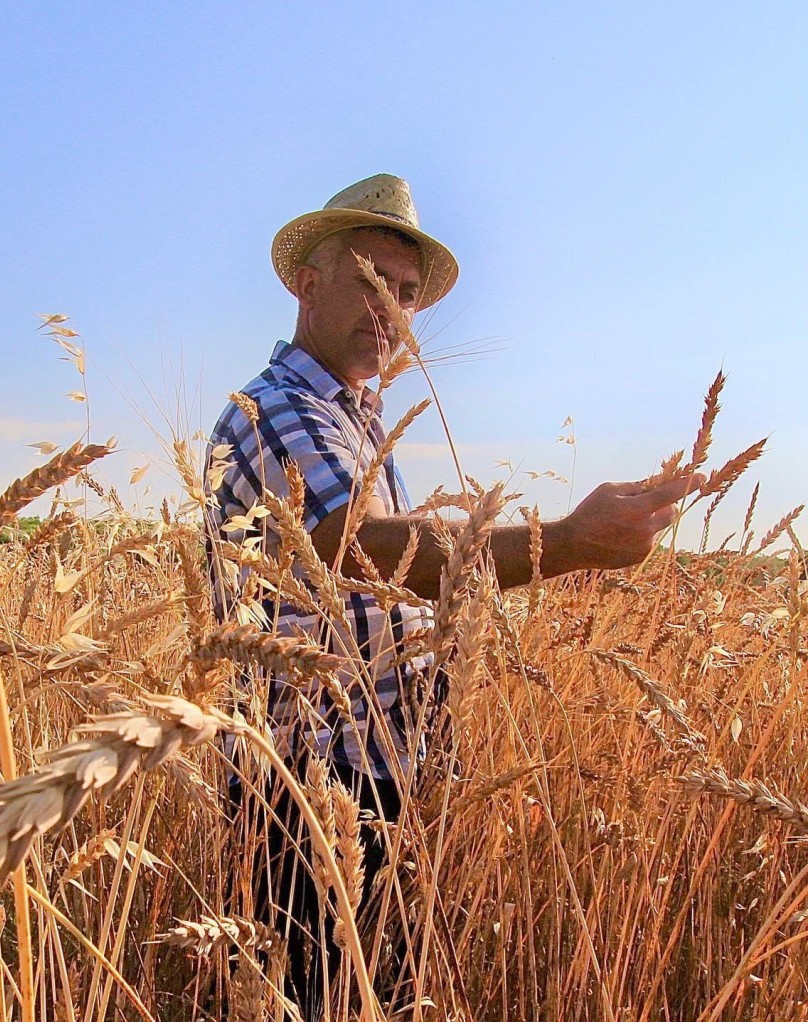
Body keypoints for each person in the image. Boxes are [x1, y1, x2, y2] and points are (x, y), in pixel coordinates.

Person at [205, 174, 699, 1018]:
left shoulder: (359, 416)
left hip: (373, 766)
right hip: (298, 779)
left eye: (404, 293)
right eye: (368, 281)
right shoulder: (275, 410)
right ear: (305, 283)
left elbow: (386, 593)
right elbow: (357, 549)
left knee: (369, 991)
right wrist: (570, 542)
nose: (389, 309)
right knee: (312, 996)